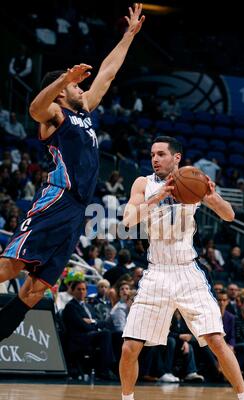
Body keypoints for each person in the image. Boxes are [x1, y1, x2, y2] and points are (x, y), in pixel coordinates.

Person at [0, 4, 145, 343]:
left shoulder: (84, 113)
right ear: (62, 91)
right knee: (11, 266)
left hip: (77, 210)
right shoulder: (54, 116)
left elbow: (107, 73)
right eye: (76, 86)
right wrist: (65, 78)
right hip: (57, 199)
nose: (83, 88)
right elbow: (34, 108)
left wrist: (128, 36)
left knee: (37, 289)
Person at [108, 136, 244, 400]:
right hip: (156, 273)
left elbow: (229, 215)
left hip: (187, 272)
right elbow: (128, 221)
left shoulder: (191, 180)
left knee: (217, 340)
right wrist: (157, 198)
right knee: (129, 346)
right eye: (152, 154)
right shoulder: (143, 183)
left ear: (176, 158)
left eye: (161, 154)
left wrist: (211, 195)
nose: (155, 159)